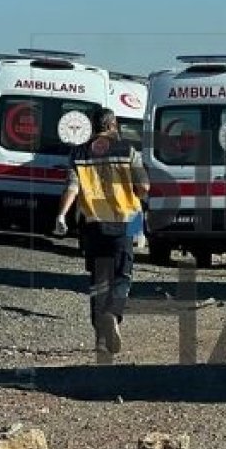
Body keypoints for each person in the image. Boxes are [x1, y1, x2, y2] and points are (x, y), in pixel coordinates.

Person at [54, 109, 149, 357]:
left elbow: (72, 188)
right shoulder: (129, 151)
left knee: (99, 282)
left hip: (92, 225)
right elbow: (143, 187)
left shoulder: (78, 153)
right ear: (113, 125)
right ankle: (112, 315)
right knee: (122, 277)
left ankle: (100, 339)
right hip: (124, 222)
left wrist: (61, 215)